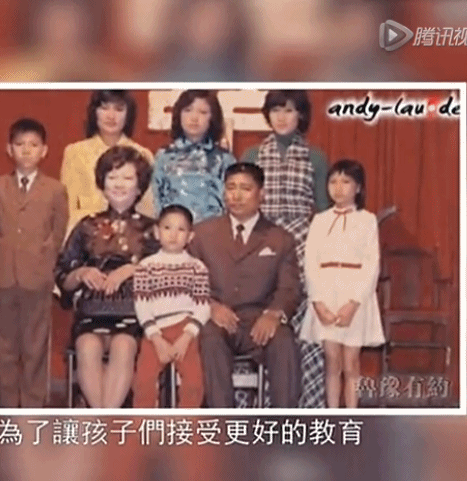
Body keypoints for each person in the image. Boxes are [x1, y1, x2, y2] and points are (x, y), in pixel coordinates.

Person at [241, 89, 329, 408]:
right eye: (276, 110)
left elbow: (324, 209)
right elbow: (242, 204)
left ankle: (305, 404)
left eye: (289, 110)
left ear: (301, 115)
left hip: (304, 239)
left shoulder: (316, 157)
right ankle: (257, 405)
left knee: (303, 317)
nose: (281, 117)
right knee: (258, 312)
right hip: (261, 237)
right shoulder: (252, 154)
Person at [188, 162, 302, 408]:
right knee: (209, 337)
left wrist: (274, 313)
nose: (237, 196)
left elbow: (289, 287)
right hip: (218, 317)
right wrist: (210, 306)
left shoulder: (280, 238)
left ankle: (286, 424)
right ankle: (223, 424)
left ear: (262, 194)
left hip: (259, 319)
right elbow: (187, 281)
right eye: (231, 188)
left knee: (284, 340)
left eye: (245, 189)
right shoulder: (202, 234)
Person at [54, 146, 158, 408]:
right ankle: (106, 421)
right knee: (87, 347)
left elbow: (167, 272)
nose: (119, 184)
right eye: (112, 177)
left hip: (133, 314)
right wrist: (82, 273)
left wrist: (132, 270)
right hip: (92, 311)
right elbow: (62, 276)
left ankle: (102, 422)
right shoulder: (86, 225)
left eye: (127, 178)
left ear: (139, 186)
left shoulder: (152, 229)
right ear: (102, 183)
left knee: (124, 346)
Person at [0, 117, 69, 407]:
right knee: (4, 347)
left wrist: (45, 260)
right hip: (3, 278)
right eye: (20, 144)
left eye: (33, 145)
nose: (26, 150)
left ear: (44, 151)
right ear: (9, 149)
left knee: (35, 347)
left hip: (37, 277)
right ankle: (8, 404)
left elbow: (57, 233)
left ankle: (33, 405)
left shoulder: (55, 190)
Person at [299, 159, 384, 408]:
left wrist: (354, 303)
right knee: (332, 361)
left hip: (354, 296)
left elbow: (371, 264)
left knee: (351, 363)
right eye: (333, 181)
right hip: (326, 293)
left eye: (345, 182)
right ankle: (333, 414)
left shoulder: (367, 220)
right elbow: (310, 262)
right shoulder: (319, 220)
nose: (338, 188)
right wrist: (318, 302)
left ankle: (352, 415)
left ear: (358, 187)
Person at [132, 204, 210, 408]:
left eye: (181, 229)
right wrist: (156, 338)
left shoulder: (197, 267)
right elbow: (142, 305)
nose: (173, 235)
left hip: (185, 329)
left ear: (190, 236)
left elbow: (203, 306)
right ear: (157, 232)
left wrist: (187, 336)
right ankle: (144, 425)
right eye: (167, 228)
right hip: (154, 331)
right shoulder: (146, 266)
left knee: (194, 383)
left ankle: (186, 424)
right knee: (143, 382)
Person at [60, 90, 155, 235]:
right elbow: (69, 207)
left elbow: (147, 209)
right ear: (94, 112)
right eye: (104, 108)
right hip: (88, 235)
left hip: (131, 236)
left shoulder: (142, 154)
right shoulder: (75, 153)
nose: (111, 116)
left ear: (128, 114)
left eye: (119, 109)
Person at [152, 89, 236, 224]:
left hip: (213, 231)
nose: (194, 118)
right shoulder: (164, 156)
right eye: (188, 110)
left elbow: (232, 202)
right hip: (173, 231)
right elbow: (156, 199)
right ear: (178, 114)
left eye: (203, 112)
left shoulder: (224, 159)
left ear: (213, 117)